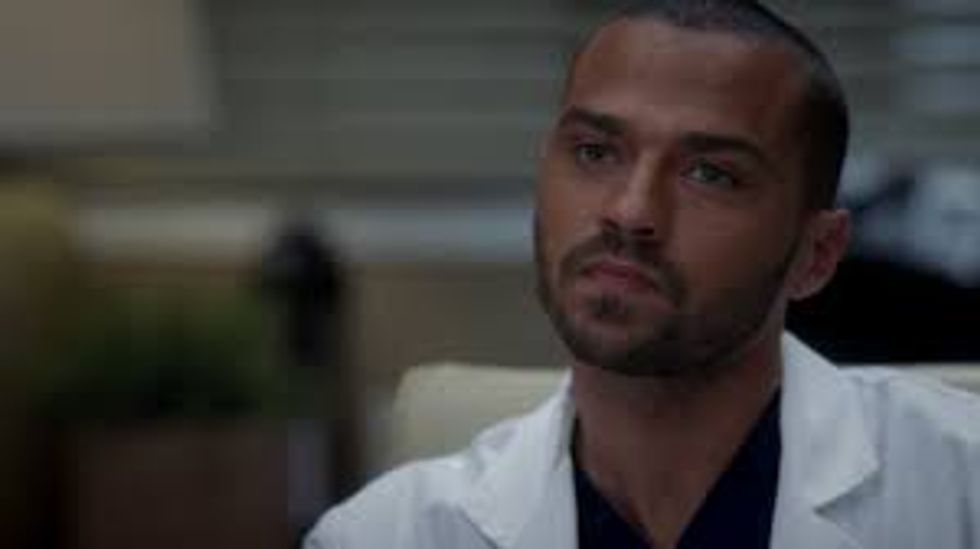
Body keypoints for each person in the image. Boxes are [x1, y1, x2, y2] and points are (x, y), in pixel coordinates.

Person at [305, 1, 980, 547]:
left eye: (709, 173)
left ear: (818, 254)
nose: (630, 212)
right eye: (595, 152)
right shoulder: (385, 535)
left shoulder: (962, 488)